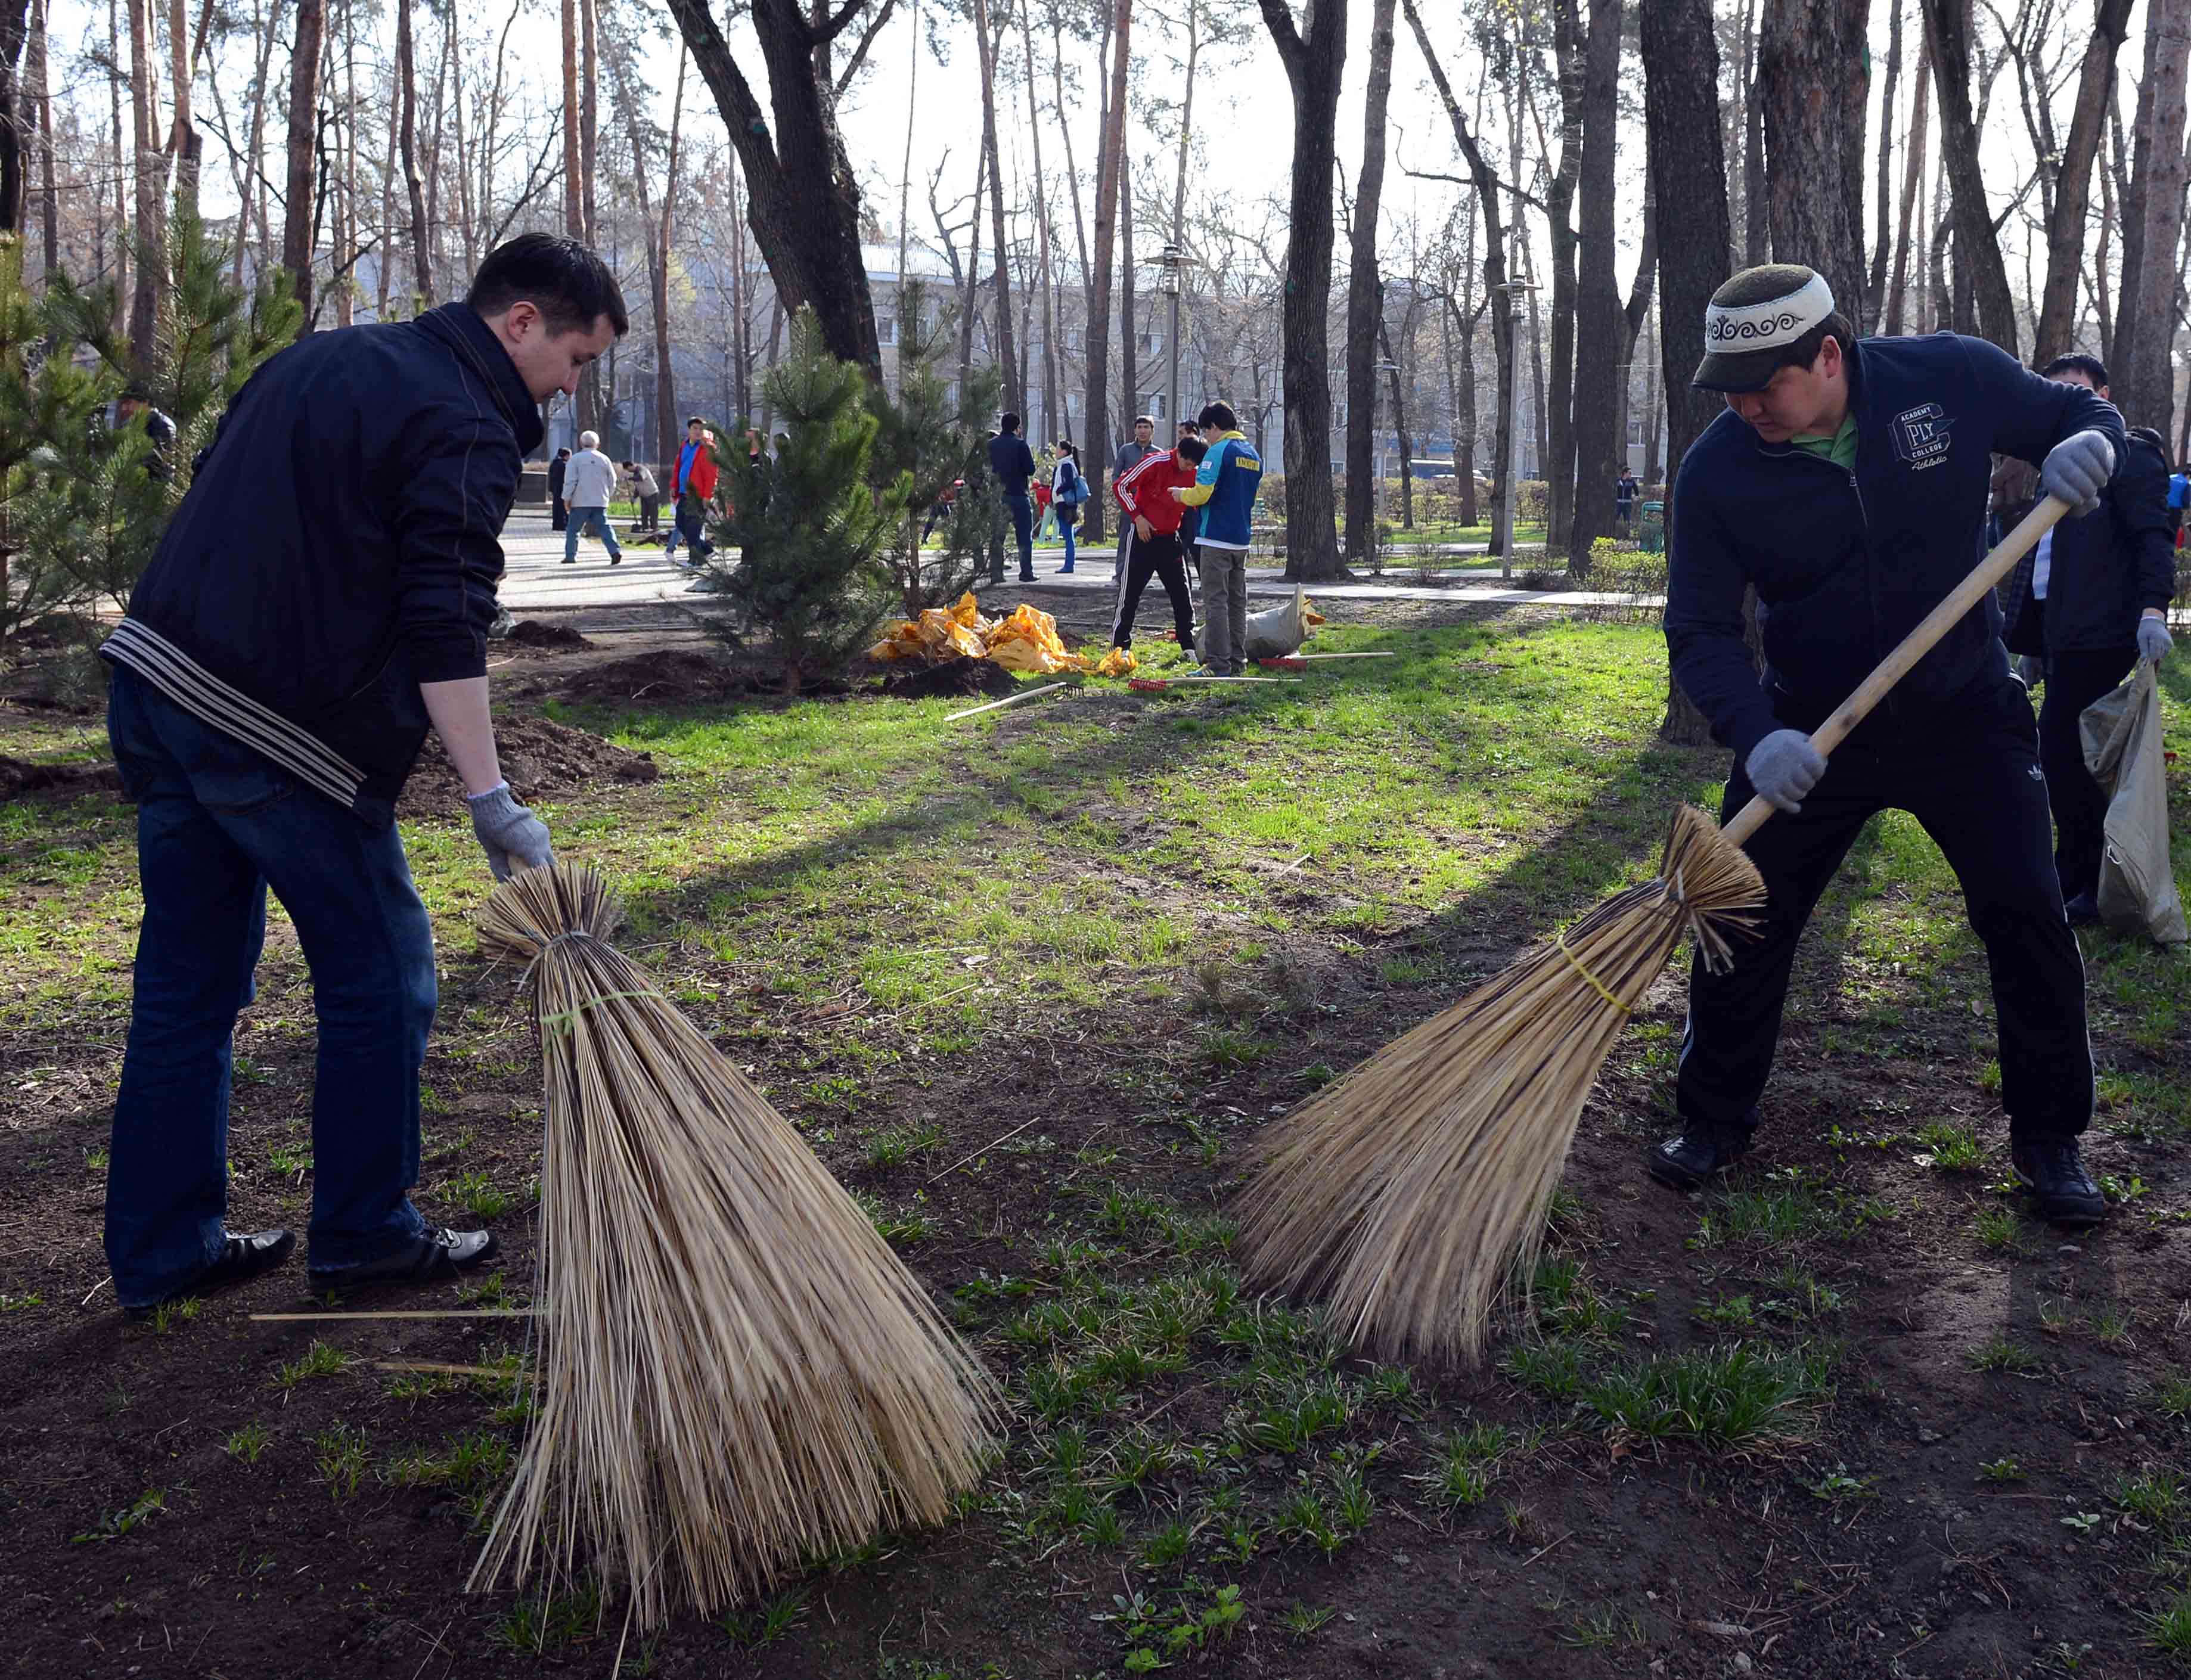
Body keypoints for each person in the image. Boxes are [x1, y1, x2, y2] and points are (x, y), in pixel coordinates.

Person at [96, 232, 626, 1318]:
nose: (572, 387)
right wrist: (490, 799)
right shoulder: (466, 418)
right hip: (271, 726)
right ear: (521, 321)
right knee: (383, 969)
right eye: (576, 358)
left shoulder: (323, 356)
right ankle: (365, 1230)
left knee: (188, 985)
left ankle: (163, 1249)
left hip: (155, 684)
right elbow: (445, 618)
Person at [1657, 262, 2123, 1226]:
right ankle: (1712, 1115)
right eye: (1729, 390)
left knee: (2027, 910)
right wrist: (1758, 734)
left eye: (1764, 386)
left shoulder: (1946, 379)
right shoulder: (1717, 471)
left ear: (1828, 355)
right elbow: (1699, 628)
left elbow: (2077, 416)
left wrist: (2092, 442)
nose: (1745, 407)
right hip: (1810, 730)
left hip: (1965, 713)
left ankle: (2050, 1137)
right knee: (1741, 916)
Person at [2000, 352, 2176, 924]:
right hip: (2061, 631)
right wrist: (2033, 643)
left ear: (2102, 395)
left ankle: (2089, 878)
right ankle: (2078, 871)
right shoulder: (2054, 461)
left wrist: (2153, 611)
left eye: (2076, 389)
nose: (2065, 401)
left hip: (2101, 631)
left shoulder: (2132, 454)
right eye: (2055, 391)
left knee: (2062, 750)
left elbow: (2153, 536)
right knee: (2063, 751)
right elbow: (2044, 560)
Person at [1172, 402, 1264, 676]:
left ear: (1214, 427)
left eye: (1206, 431)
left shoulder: (1218, 451)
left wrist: (1181, 495)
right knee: (1237, 604)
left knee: (1216, 603)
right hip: (1241, 539)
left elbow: (1203, 493)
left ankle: (1217, 664)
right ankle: (1237, 661)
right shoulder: (1252, 454)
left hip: (1215, 539)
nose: (1206, 438)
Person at [1111, 437, 1206, 654]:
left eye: (1194, 466)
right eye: (1187, 463)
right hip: (1142, 537)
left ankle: (1188, 646)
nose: (1190, 469)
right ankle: (1120, 646)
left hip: (1170, 538)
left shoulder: (1194, 472)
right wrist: (1138, 518)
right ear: (1179, 453)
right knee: (1130, 593)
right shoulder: (1154, 462)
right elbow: (1121, 486)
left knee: (1182, 593)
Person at [986, 411, 1038, 584]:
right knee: (1024, 537)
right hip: (1018, 495)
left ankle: (996, 574)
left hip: (998, 497)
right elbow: (1031, 470)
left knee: (997, 538)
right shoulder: (1021, 445)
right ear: (1018, 428)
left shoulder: (990, 445)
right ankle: (1026, 572)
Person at [560, 430, 623, 566]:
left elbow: (570, 482)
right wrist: (607, 495)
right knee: (605, 528)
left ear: (581, 443)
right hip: (599, 501)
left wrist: (567, 499)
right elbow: (613, 481)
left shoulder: (575, 460)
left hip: (579, 501)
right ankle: (615, 551)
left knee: (573, 530)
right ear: (597, 444)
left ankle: (570, 556)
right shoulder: (604, 459)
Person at [1112, 416, 1160, 573]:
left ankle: (1143, 576)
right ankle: (1120, 575)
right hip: (1129, 502)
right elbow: (1116, 475)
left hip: (1149, 505)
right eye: (1139, 427)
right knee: (1125, 539)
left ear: (1152, 431)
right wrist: (1121, 495)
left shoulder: (1158, 453)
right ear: (1134, 430)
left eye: (1146, 427)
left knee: (1147, 539)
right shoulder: (1126, 450)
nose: (1142, 431)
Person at [669, 416, 718, 564]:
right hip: (684, 493)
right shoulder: (685, 446)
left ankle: (696, 561)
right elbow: (678, 468)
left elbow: (711, 476)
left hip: (699, 496)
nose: (698, 432)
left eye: (701, 429)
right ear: (689, 430)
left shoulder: (708, 448)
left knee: (693, 529)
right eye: (695, 428)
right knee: (680, 523)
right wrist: (674, 486)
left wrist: (707, 496)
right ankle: (706, 550)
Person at [117, 384, 177, 482]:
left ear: (145, 403)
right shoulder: (131, 424)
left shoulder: (163, 425)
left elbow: (159, 459)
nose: (125, 408)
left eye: (130, 403)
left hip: (154, 483)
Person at [1050, 440, 1087, 575]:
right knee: (1068, 535)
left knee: (1067, 535)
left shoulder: (1066, 465)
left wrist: (1058, 491)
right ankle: (1069, 564)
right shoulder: (1063, 464)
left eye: (1058, 449)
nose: (1056, 451)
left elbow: (1070, 483)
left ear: (1064, 452)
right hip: (1062, 503)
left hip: (1065, 504)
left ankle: (1069, 565)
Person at [1175, 420, 1205, 577]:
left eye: (1182, 433)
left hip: (1194, 509)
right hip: (1179, 507)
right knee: (1180, 549)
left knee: (1196, 546)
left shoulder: (1204, 456)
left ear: (1193, 433)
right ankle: (1185, 581)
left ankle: (1205, 581)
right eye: (1178, 434)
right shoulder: (1177, 455)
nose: (1179, 437)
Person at [624, 459, 661, 535]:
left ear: (630, 466)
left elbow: (641, 477)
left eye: (628, 469)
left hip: (652, 494)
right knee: (644, 514)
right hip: (644, 496)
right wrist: (634, 498)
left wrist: (630, 478)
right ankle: (645, 529)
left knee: (653, 514)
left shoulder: (641, 469)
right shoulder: (635, 474)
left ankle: (655, 530)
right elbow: (638, 487)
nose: (628, 471)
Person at [547, 446, 570, 530]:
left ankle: (556, 525)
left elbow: (550, 478)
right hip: (563, 489)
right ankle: (562, 525)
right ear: (566, 456)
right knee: (563, 508)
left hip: (555, 489)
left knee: (556, 507)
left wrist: (550, 489)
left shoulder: (554, 463)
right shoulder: (564, 465)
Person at [1615, 468, 1640, 536]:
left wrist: (1636, 497)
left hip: (1627, 503)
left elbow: (1636, 490)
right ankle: (1615, 532)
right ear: (1625, 473)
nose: (1631, 475)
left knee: (1627, 519)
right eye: (1629, 473)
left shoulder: (1631, 482)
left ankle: (1627, 534)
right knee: (1616, 517)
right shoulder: (1618, 481)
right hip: (1619, 502)